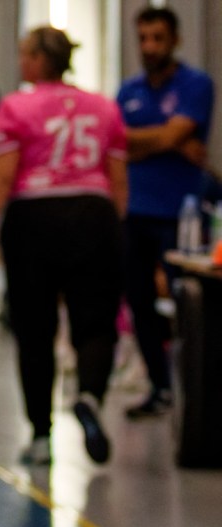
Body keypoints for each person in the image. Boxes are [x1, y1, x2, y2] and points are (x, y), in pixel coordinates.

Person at [0, 27, 128, 466]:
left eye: (24, 54)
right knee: (96, 323)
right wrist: (114, 228)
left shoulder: (15, 107)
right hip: (93, 214)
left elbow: (0, 178)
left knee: (34, 329)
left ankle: (40, 436)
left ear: (37, 61)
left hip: (34, 219)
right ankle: (89, 396)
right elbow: (118, 181)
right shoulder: (103, 108)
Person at [116, 6, 215, 419]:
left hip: (181, 214)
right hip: (135, 211)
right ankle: (159, 387)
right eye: (143, 38)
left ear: (175, 40)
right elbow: (120, 143)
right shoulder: (129, 90)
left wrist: (155, 139)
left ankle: (196, 393)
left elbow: (173, 134)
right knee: (140, 302)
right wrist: (168, 139)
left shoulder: (196, 84)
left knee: (187, 304)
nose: (150, 46)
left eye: (158, 38)